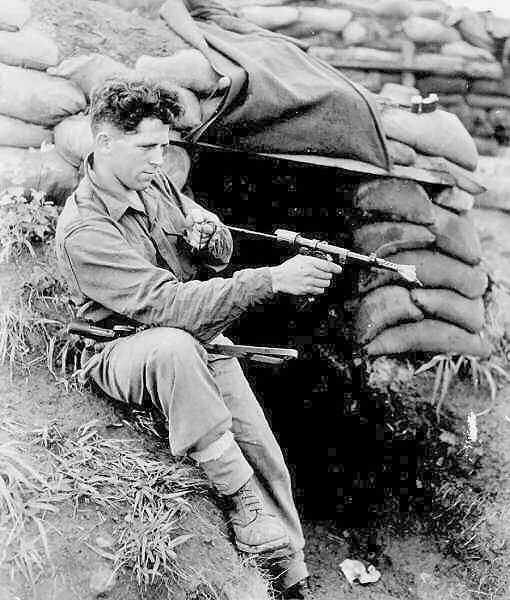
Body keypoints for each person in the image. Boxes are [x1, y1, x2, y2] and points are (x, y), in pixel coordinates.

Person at [55, 78, 342, 599]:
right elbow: (166, 305)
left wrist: (212, 238)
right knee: (173, 346)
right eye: (147, 146)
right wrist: (271, 280)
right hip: (121, 348)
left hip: (199, 337)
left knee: (263, 449)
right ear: (104, 143)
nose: (160, 158)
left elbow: (209, 253)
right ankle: (238, 501)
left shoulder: (154, 180)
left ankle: (292, 578)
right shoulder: (85, 229)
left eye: (165, 145)